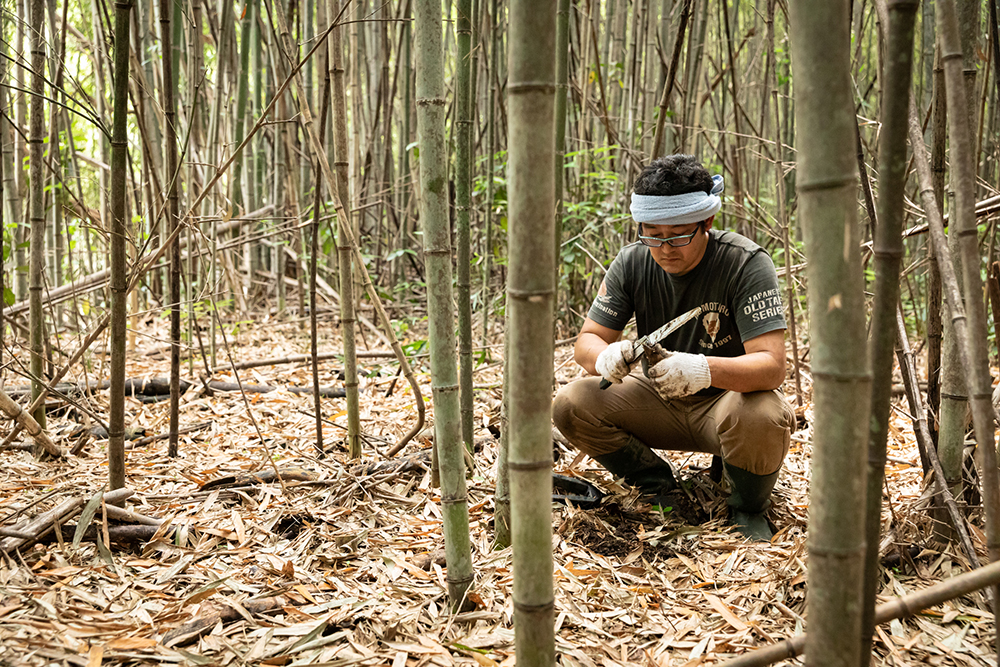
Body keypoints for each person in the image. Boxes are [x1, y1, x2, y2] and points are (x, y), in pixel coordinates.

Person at [552, 154, 795, 541]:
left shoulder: (745, 263)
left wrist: (703, 370)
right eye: (653, 235)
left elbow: (772, 366)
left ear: (707, 223)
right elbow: (587, 339)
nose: (665, 248)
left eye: (679, 234)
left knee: (763, 415)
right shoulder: (632, 263)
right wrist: (604, 357)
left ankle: (745, 506)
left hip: (727, 403)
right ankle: (658, 487)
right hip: (657, 397)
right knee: (571, 402)